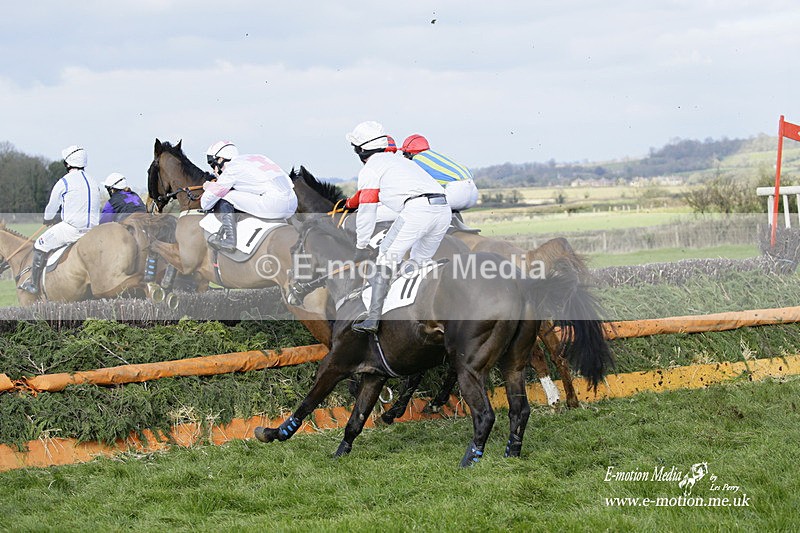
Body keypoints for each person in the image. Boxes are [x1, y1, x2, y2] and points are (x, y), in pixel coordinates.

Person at [344, 121, 451, 334]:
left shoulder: (370, 169)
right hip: (443, 209)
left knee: (385, 257)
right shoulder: (399, 161)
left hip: (418, 210)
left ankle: (373, 319)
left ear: (360, 150)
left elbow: (367, 211)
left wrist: (361, 245)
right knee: (418, 261)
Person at [19, 145, 100, 294]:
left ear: (68, 163)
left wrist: (48, 219)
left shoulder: (64, 182)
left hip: (72, 230)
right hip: (94, 231)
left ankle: (34, 285)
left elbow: (52, 206)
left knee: (39, 244)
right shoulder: (94, 182)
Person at [201, 141, 297, 252]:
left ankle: (230, 241)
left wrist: (210, 187)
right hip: (293, 203)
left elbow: (206, 203)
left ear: (221, 159)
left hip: (274, 205)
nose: (213, 170)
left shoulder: (232, 168)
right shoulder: (257, 157)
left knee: (225, 195)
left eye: (213, 165)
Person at [401, 134, 479, 214]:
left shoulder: (417, 159)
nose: (404, 157)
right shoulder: (434, 156)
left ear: (410, 153)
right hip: (473, 192)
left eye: (404, 153)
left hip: (456, 193)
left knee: (418, 204)